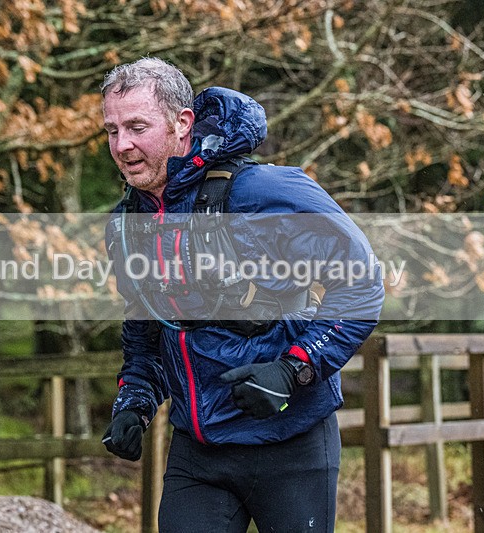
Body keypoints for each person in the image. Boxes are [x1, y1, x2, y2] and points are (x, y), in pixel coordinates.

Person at [100, 57, 384, 533]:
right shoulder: (129, 224)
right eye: (112, 130)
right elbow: (146, 327)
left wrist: (293, 368)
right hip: (199, 451)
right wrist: (134, 401)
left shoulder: (265, 192)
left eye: (137, 126)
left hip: (289, 441)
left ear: (181, 123)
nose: (122, 145)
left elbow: (361, 284)